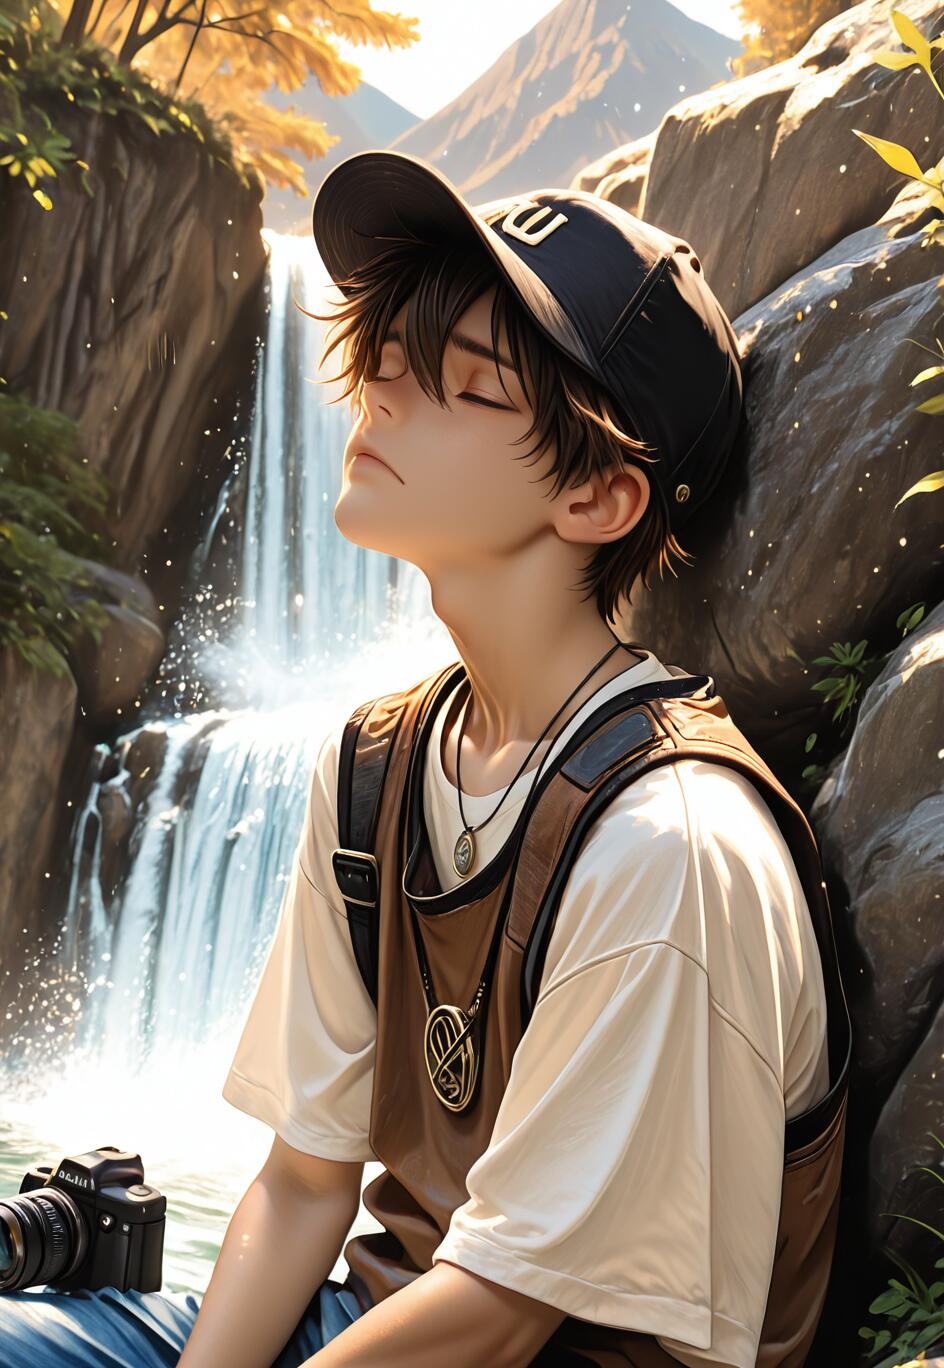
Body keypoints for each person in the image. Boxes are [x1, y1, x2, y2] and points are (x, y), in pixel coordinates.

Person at [0, 151, 849, 1368]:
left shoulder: (668, 850)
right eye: (392, 352)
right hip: (367, 1331)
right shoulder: (379, 767)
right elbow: (302, 1191)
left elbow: (500, 1316)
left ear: (601, 499)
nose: (382, 391)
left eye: (466, 381)